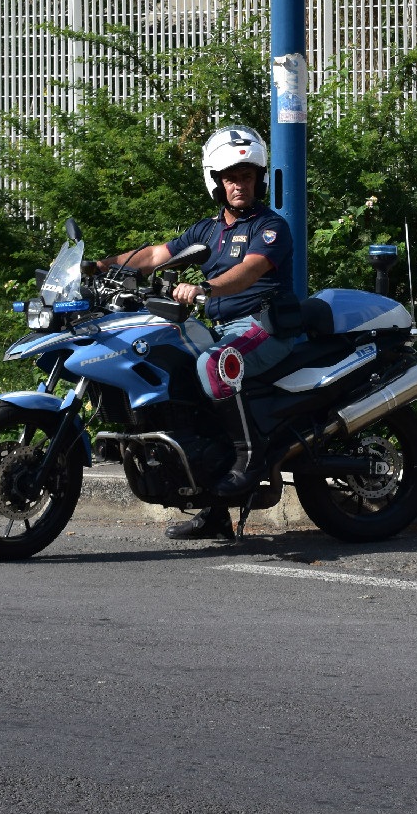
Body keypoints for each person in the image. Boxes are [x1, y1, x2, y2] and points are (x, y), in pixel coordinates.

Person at [96, 125, 295, 542]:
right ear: (217, 183)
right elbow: (154, 256)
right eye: (230, 178)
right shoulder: (207, 231)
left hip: (263, 324)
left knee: (214, 366)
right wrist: (98, 267)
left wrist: (205, 288)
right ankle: (214, 512)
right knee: (181, 380)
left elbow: (250, 270)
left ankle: (250, 457)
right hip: (221, 326)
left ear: (258, 179)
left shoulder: (270, 226)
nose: (239, 185)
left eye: (246, 176)